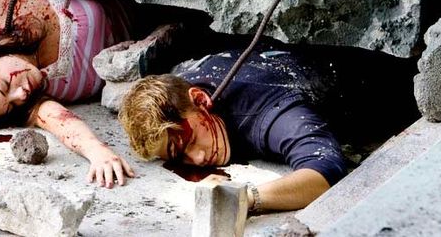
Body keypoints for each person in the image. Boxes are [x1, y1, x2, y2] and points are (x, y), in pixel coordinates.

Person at [0, 0, 144, 189]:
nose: (21, 95)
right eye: (11, 105)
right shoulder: (33, 102)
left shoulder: (8, 6)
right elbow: (62, 122)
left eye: (5, 86)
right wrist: (97, 152)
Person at [118, 43, 348, 213]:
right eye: (179, 156)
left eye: (190, 141)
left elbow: (325, 172)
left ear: (200, 99)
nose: (198, 158)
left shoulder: (271, 114)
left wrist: (244, 198)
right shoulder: (180, 88)